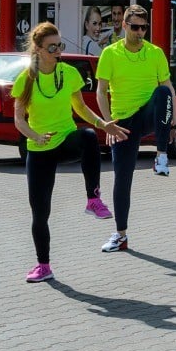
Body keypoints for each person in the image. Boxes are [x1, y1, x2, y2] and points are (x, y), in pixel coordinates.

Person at [12, 22, 128, 280]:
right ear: (39, 49)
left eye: (60, 45)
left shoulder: (68, 73)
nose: (58, 51)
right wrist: (35, 136)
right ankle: (44, 266)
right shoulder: (27, 79)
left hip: (65, 140)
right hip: (39, 148)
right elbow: (19, 119)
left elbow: (81, 110)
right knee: (40, 213)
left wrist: (103, 124)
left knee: (87, 136)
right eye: (52, 47)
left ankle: (93, 199)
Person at [96, 4, 176, 253]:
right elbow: (101, 91)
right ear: (124, 25)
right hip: (122, 124)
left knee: (161, 91)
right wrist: (107, 123)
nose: (139, 32)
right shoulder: (110, 53)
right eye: (134, 27)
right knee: (121, 180)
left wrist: (174, 124)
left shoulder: (155, 53)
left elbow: (168, 90)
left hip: (147, 114)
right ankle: (121, 235)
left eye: (144, 27)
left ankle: (161, 157)